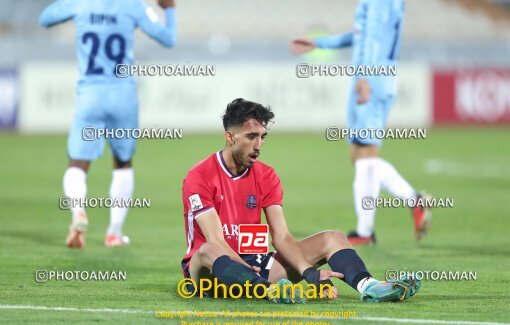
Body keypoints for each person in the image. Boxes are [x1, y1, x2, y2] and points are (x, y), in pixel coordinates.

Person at [180, 98, 420, 303]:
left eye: (263, 137)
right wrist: (248, 269)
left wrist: (309, 273)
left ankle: (369, 287)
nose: (259, 145)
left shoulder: (266, 175)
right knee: (207, 249)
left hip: (256, 269)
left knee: (333, 237)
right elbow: (216, 240)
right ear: (230, 137)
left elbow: (282, 237)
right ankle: (271, 290)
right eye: (251, 137)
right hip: (210, 274)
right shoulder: (199, 176)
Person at [290, 0, 432, 245]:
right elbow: (363, 35)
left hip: (371, 78)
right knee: (359, 155)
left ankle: (410, 202)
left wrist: (366, 77)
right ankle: (367, 229)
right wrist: (320, 43)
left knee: (366, 155)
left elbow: (373, 38)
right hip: (377, 76)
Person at [39, 0, 177, 248]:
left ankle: (78, 213)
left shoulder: (80, 3)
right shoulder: (134, 6)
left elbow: (45, 19)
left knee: (78, 163)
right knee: (123, 163)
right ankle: (114, 233)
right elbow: (168, 39)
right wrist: (169, 9)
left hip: (89, 95)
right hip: (122, 95)